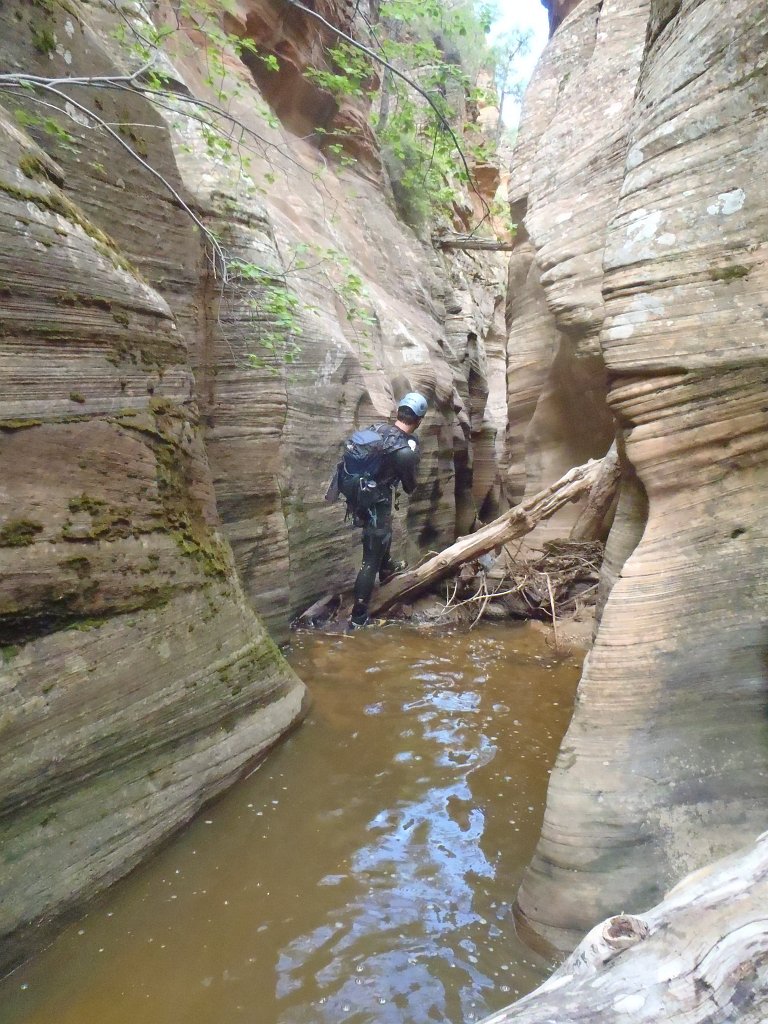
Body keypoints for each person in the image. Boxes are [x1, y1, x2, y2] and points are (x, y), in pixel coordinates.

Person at [348, 392, 428, 629]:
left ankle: (387, 567)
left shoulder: (377, 430)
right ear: (419, 420)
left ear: (399, 412)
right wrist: (411, 458)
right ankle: (358, 619)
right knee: (369, 559)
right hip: (376, 501)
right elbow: (410, 486)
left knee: (382, 534)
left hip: (359, 495)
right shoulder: (404, 449)